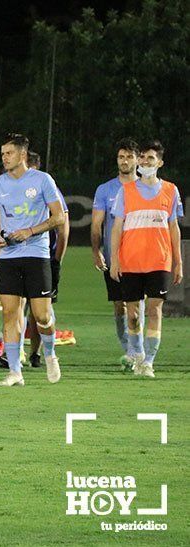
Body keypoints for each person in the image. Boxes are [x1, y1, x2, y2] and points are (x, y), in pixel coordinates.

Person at [0, 133, 65, 387]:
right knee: (9, 313)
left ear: (22, 155)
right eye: (3, 153)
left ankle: (50, 353)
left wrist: (30, 231)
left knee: (41, 316)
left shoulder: (42, 180)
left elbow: (59, 217)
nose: (4, 158)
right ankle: (15, 372)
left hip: (37, 254)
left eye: (8, 153)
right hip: (9, 257)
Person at [110, 139, 183, 378]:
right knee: (132, 315)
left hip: (159, 261)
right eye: (142, 157)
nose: (144, 161)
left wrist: (178, 261)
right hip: (131, 261)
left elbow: (174, 228)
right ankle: (137, 354)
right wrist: (115, 259)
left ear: (159, 163)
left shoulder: (170, 190)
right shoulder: (126, 191)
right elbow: (117, 227)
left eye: (150, 158)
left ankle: (148, 361)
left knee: (155, 311)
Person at [92, 138, 141, 369]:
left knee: (137, 307)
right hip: (115, 260)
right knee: (120, 306)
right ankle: (129, 348)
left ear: (137, 160)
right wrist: (96, 251)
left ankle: (136, 352)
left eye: (129, 156)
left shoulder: (146, 188)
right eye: (121, 156)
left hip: (141, 259)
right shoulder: (106, 189)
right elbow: (96, 225)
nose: (124, 161)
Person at [23, 151, 72, 368]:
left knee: (40, 310)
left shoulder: (48, 188)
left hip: (43, 258)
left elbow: (63, 229)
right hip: (18, 256)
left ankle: (37, 352)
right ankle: (15, 354)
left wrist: (56, 261)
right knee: (16, 306)